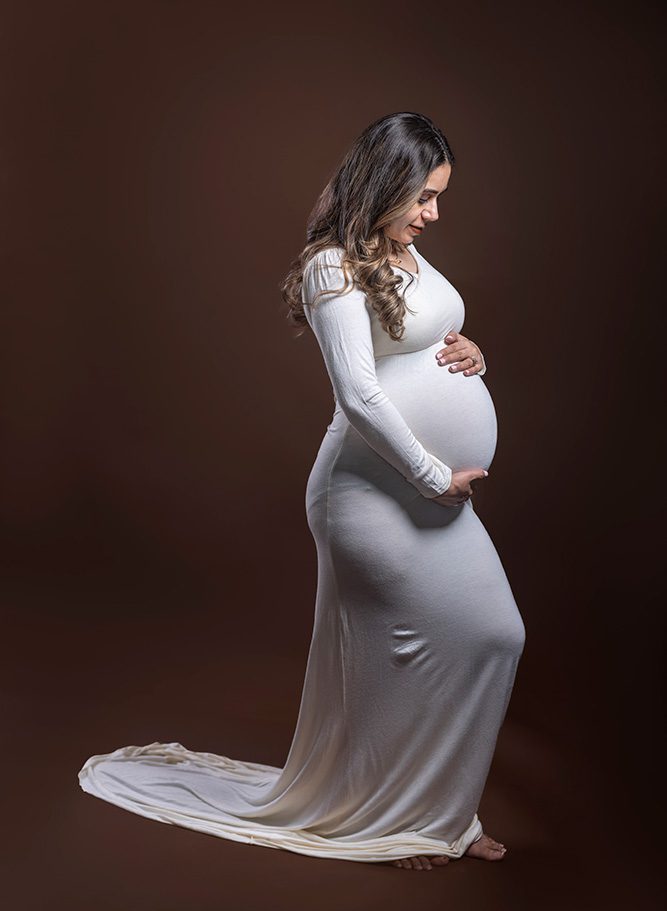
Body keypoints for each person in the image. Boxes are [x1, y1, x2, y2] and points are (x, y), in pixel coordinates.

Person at [78, 111, 526, 871]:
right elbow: (358, 394)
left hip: (433, 494)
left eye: (439, 196)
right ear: (384, 186)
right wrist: (431, 475)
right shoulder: (332, 266)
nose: (434, 213)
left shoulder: (402, 252)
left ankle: (441, 814)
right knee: (392, 660)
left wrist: (470, 349)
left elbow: (420, 339)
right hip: (372, 494)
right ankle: (390, 821)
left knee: (492, 636)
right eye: (423, 196)